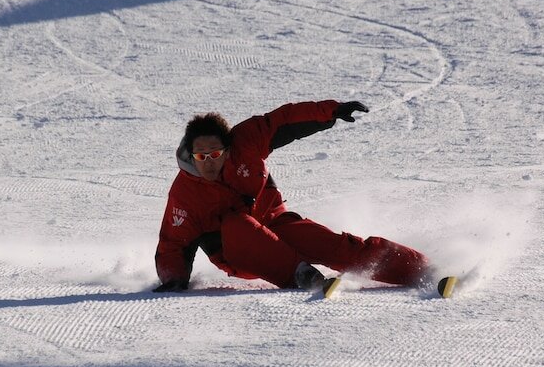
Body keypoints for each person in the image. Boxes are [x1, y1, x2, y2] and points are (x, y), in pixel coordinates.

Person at [153, 99, 433, 294]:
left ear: (228, 149)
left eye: (215, 154)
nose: (209, 162)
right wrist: (174, 279)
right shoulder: (185, 193)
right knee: (237, 223)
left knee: (331, 244)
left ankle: (419, 268)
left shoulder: (247, 142)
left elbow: (282, 120)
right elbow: (172, 243)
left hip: (275, 222)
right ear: (191, 154)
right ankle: (300, 274)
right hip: (239, 253)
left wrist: (330, 111)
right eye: (201, 156)